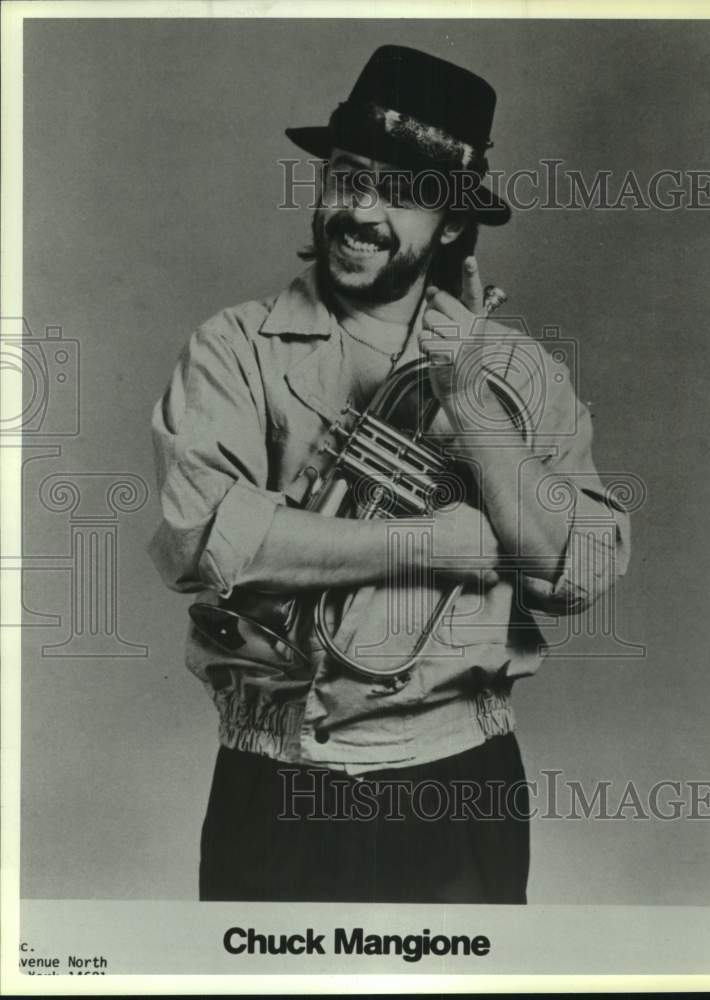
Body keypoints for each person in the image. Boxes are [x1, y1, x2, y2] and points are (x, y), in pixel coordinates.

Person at [147, 45, 630, 904]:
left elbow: (579, 569)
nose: (359, 210)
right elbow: (208, 539)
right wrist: (438, 543)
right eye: (345, 178)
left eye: (402, 192)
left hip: (460, 782)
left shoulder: (514, 372)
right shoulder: (232, 348)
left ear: (451, 223)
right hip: (279, 777)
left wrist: (473, 411)